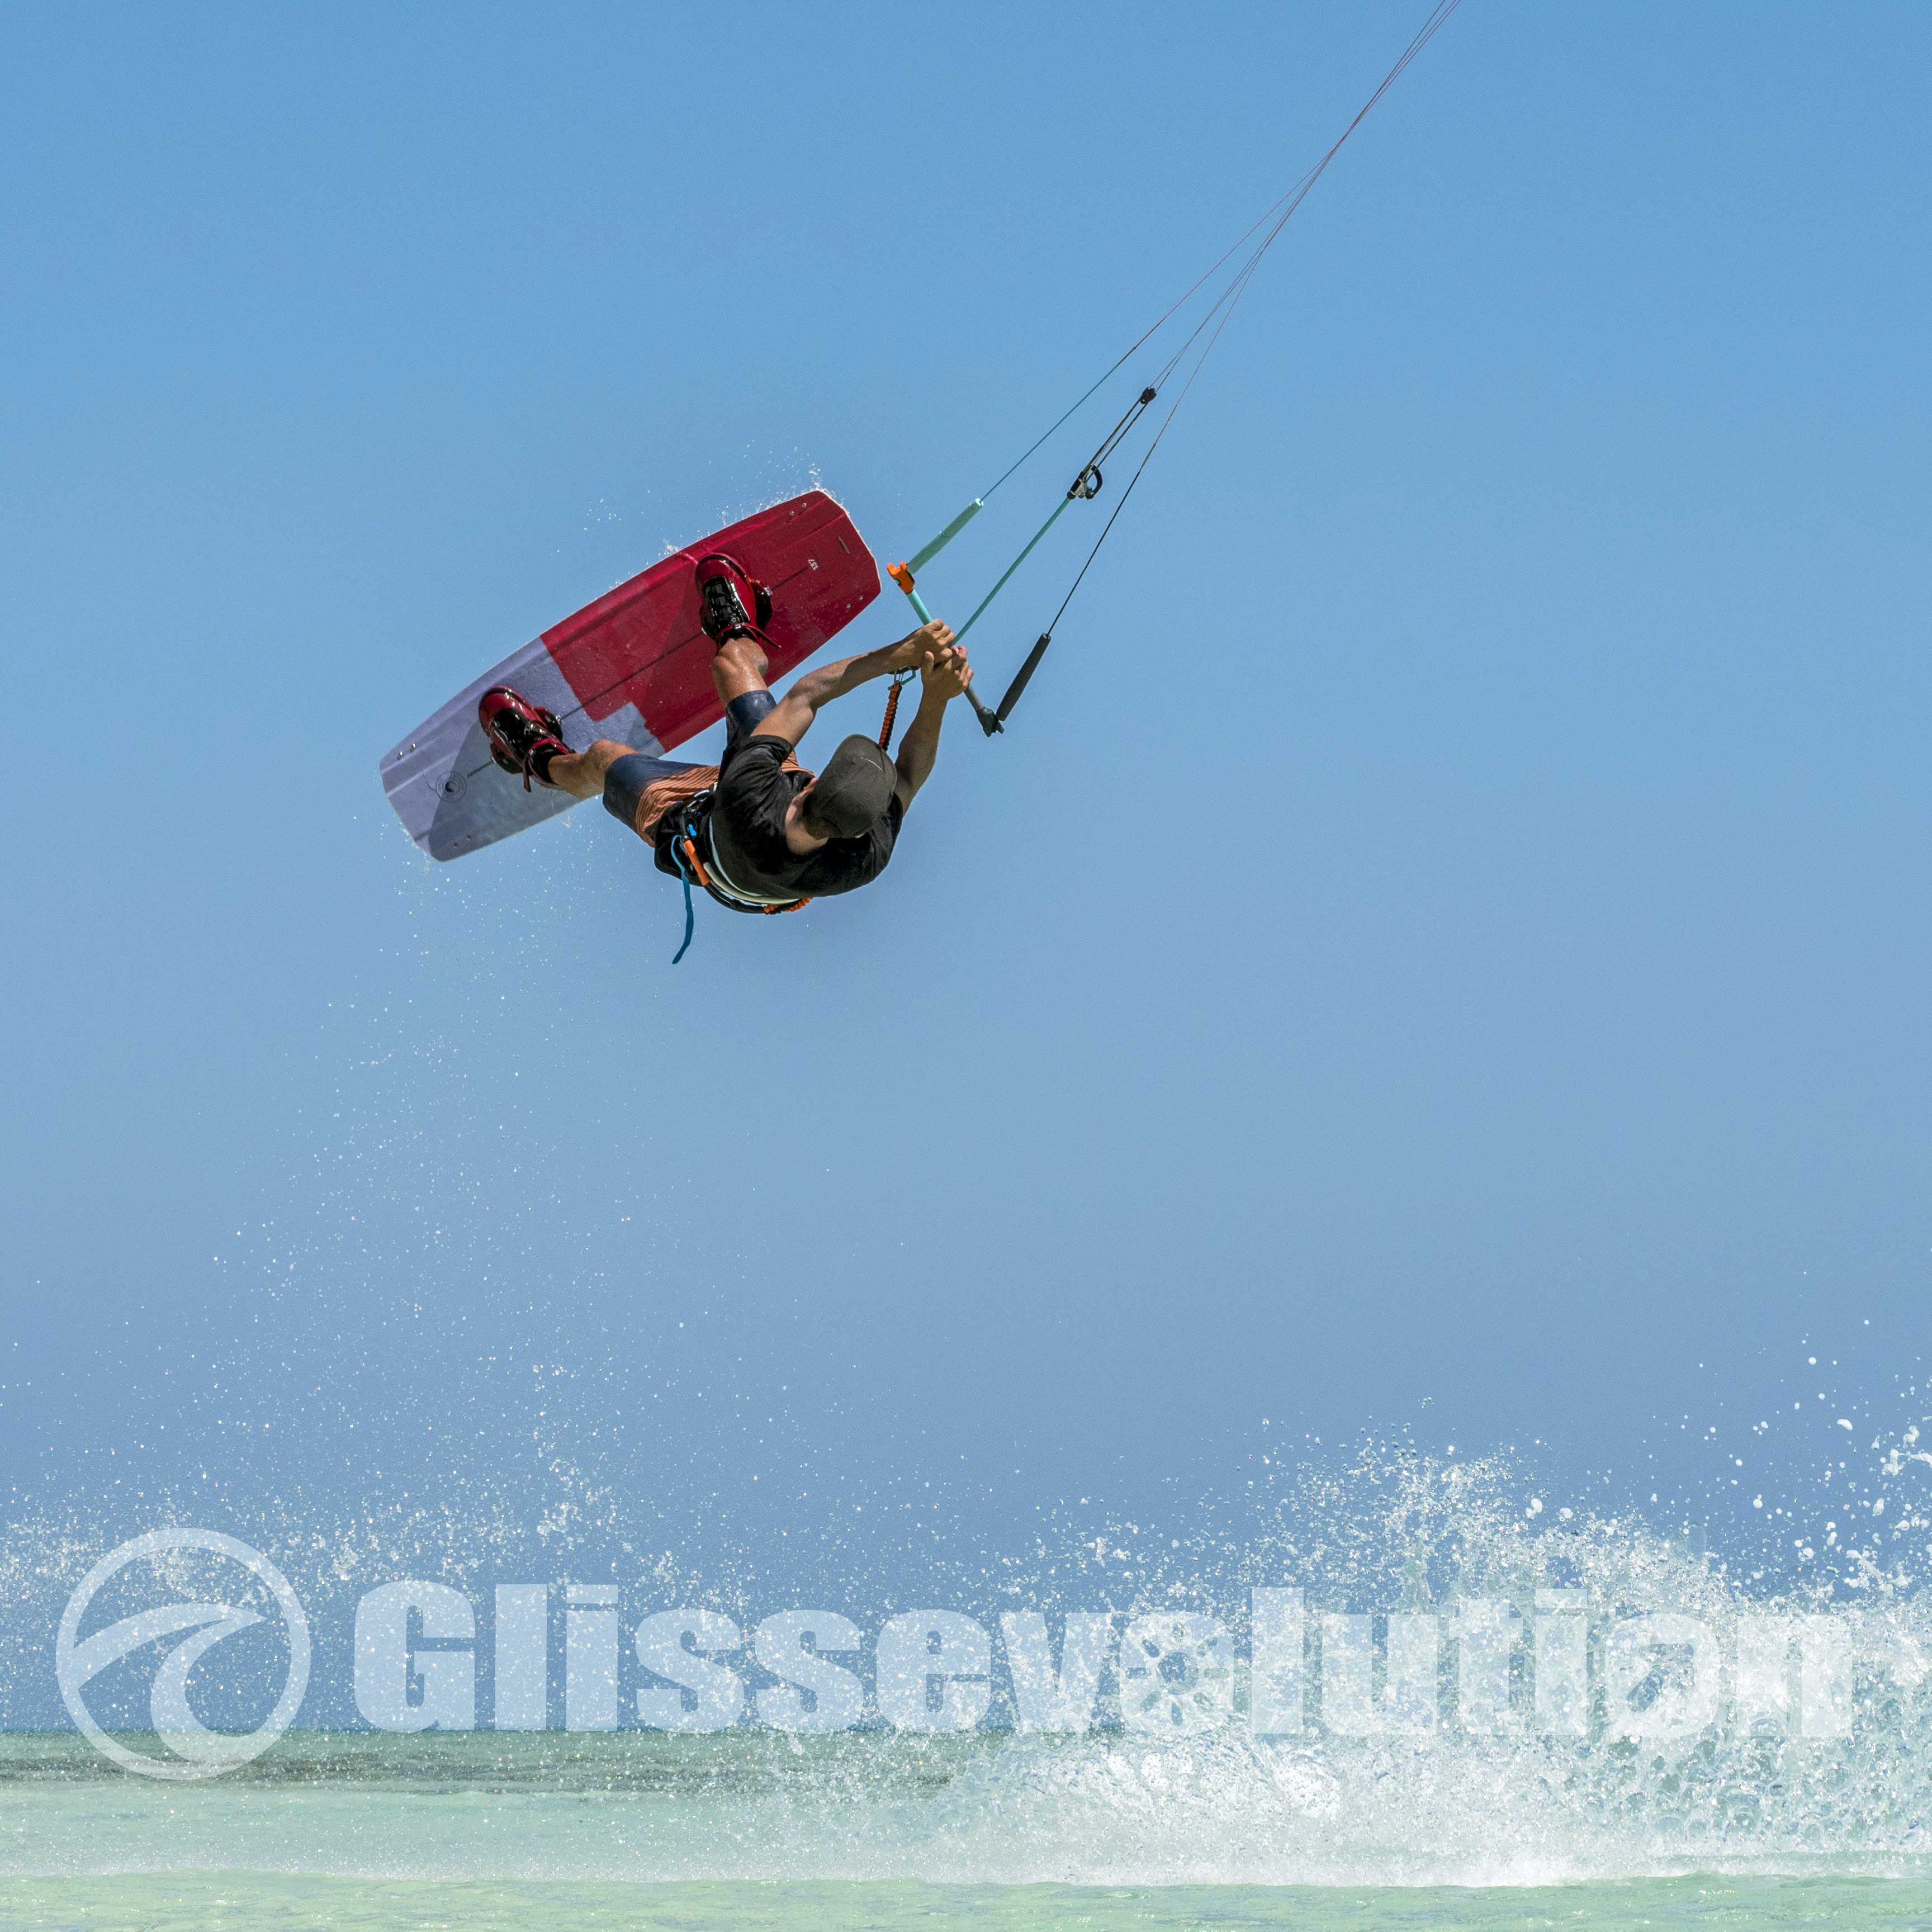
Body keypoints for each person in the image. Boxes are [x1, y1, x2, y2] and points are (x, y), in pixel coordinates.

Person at [473, 552, 973, 920]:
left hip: (702, 837)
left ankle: (540, 760)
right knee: (735, 664)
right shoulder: (868, 853)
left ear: (812, 786)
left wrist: (896, 655)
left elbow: (806, 698)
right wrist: (937, 696)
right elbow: (910, 775)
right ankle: (738, 630)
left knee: (604, 758)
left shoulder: (751, 798)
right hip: (763, 808)